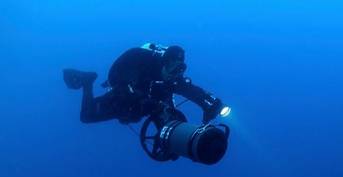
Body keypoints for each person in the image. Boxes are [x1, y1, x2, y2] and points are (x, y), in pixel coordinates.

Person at [63, 43, 226, 125]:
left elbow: (188, 89)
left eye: (179, 69)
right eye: (172, 68)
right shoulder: (143, 63)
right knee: (87, 116)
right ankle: (87, 81)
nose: (174, 74)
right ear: (164, 62)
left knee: (167, 116)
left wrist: (209, 104)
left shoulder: (171, 75)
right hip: (122, 82)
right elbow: (126, 87)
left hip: (147, 90)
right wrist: (143, 101)